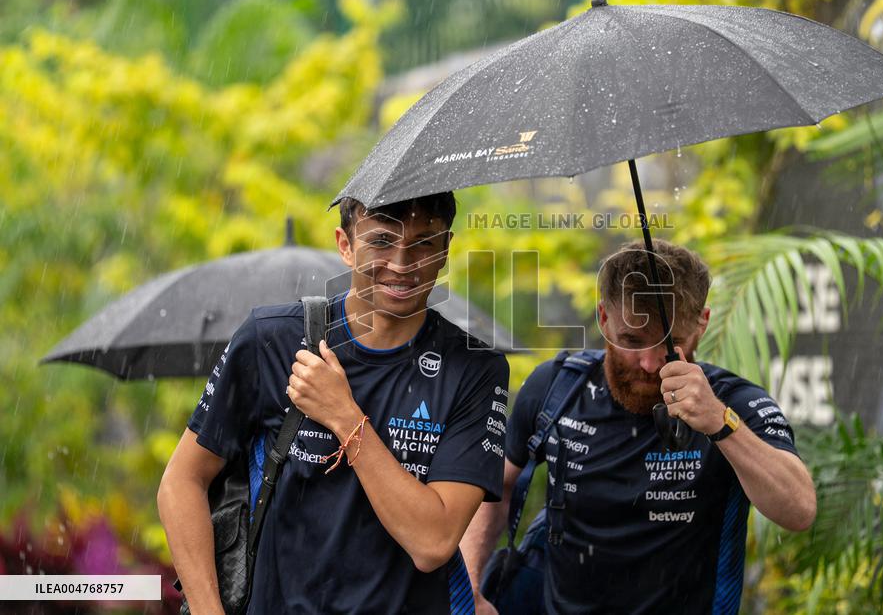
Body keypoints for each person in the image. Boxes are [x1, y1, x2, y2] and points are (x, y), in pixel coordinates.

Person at [158, 192, 510, 614]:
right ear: (346, 245)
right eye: (381, 241)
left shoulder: (474, 370)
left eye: (423, 243)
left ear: (444, 250)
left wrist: (345, 417)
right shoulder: (273, 340)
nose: (402, 264)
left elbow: (432, 542)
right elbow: (182, 482)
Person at [460, 239, 816, 615]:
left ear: (702, 324)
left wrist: (719, 423)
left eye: (670, 343)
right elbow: (496, 485)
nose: (648, 363)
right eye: (631, 340)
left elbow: (799, 510)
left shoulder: (734, 404)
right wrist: (469, 585)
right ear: (603, 318)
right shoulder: (556, 387)